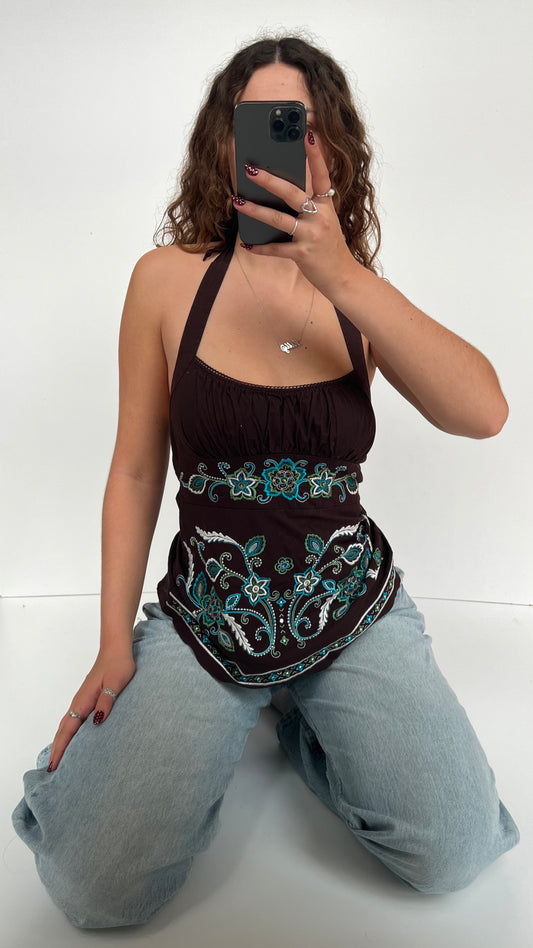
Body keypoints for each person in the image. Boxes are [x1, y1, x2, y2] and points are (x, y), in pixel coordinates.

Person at [12, 35, 519, 930]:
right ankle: (244, 715)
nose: (291, 144)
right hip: (211, 608)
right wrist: (112, 643)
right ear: (226, 141)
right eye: (265, 123)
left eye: (306, 126)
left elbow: (483, 413)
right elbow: (135, 468)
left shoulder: (359, 293)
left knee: (453, 851)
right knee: (95, 889)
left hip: (348, 600)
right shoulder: (167, 281)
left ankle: (302, 720)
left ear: (335, 146)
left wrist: (340, 273)